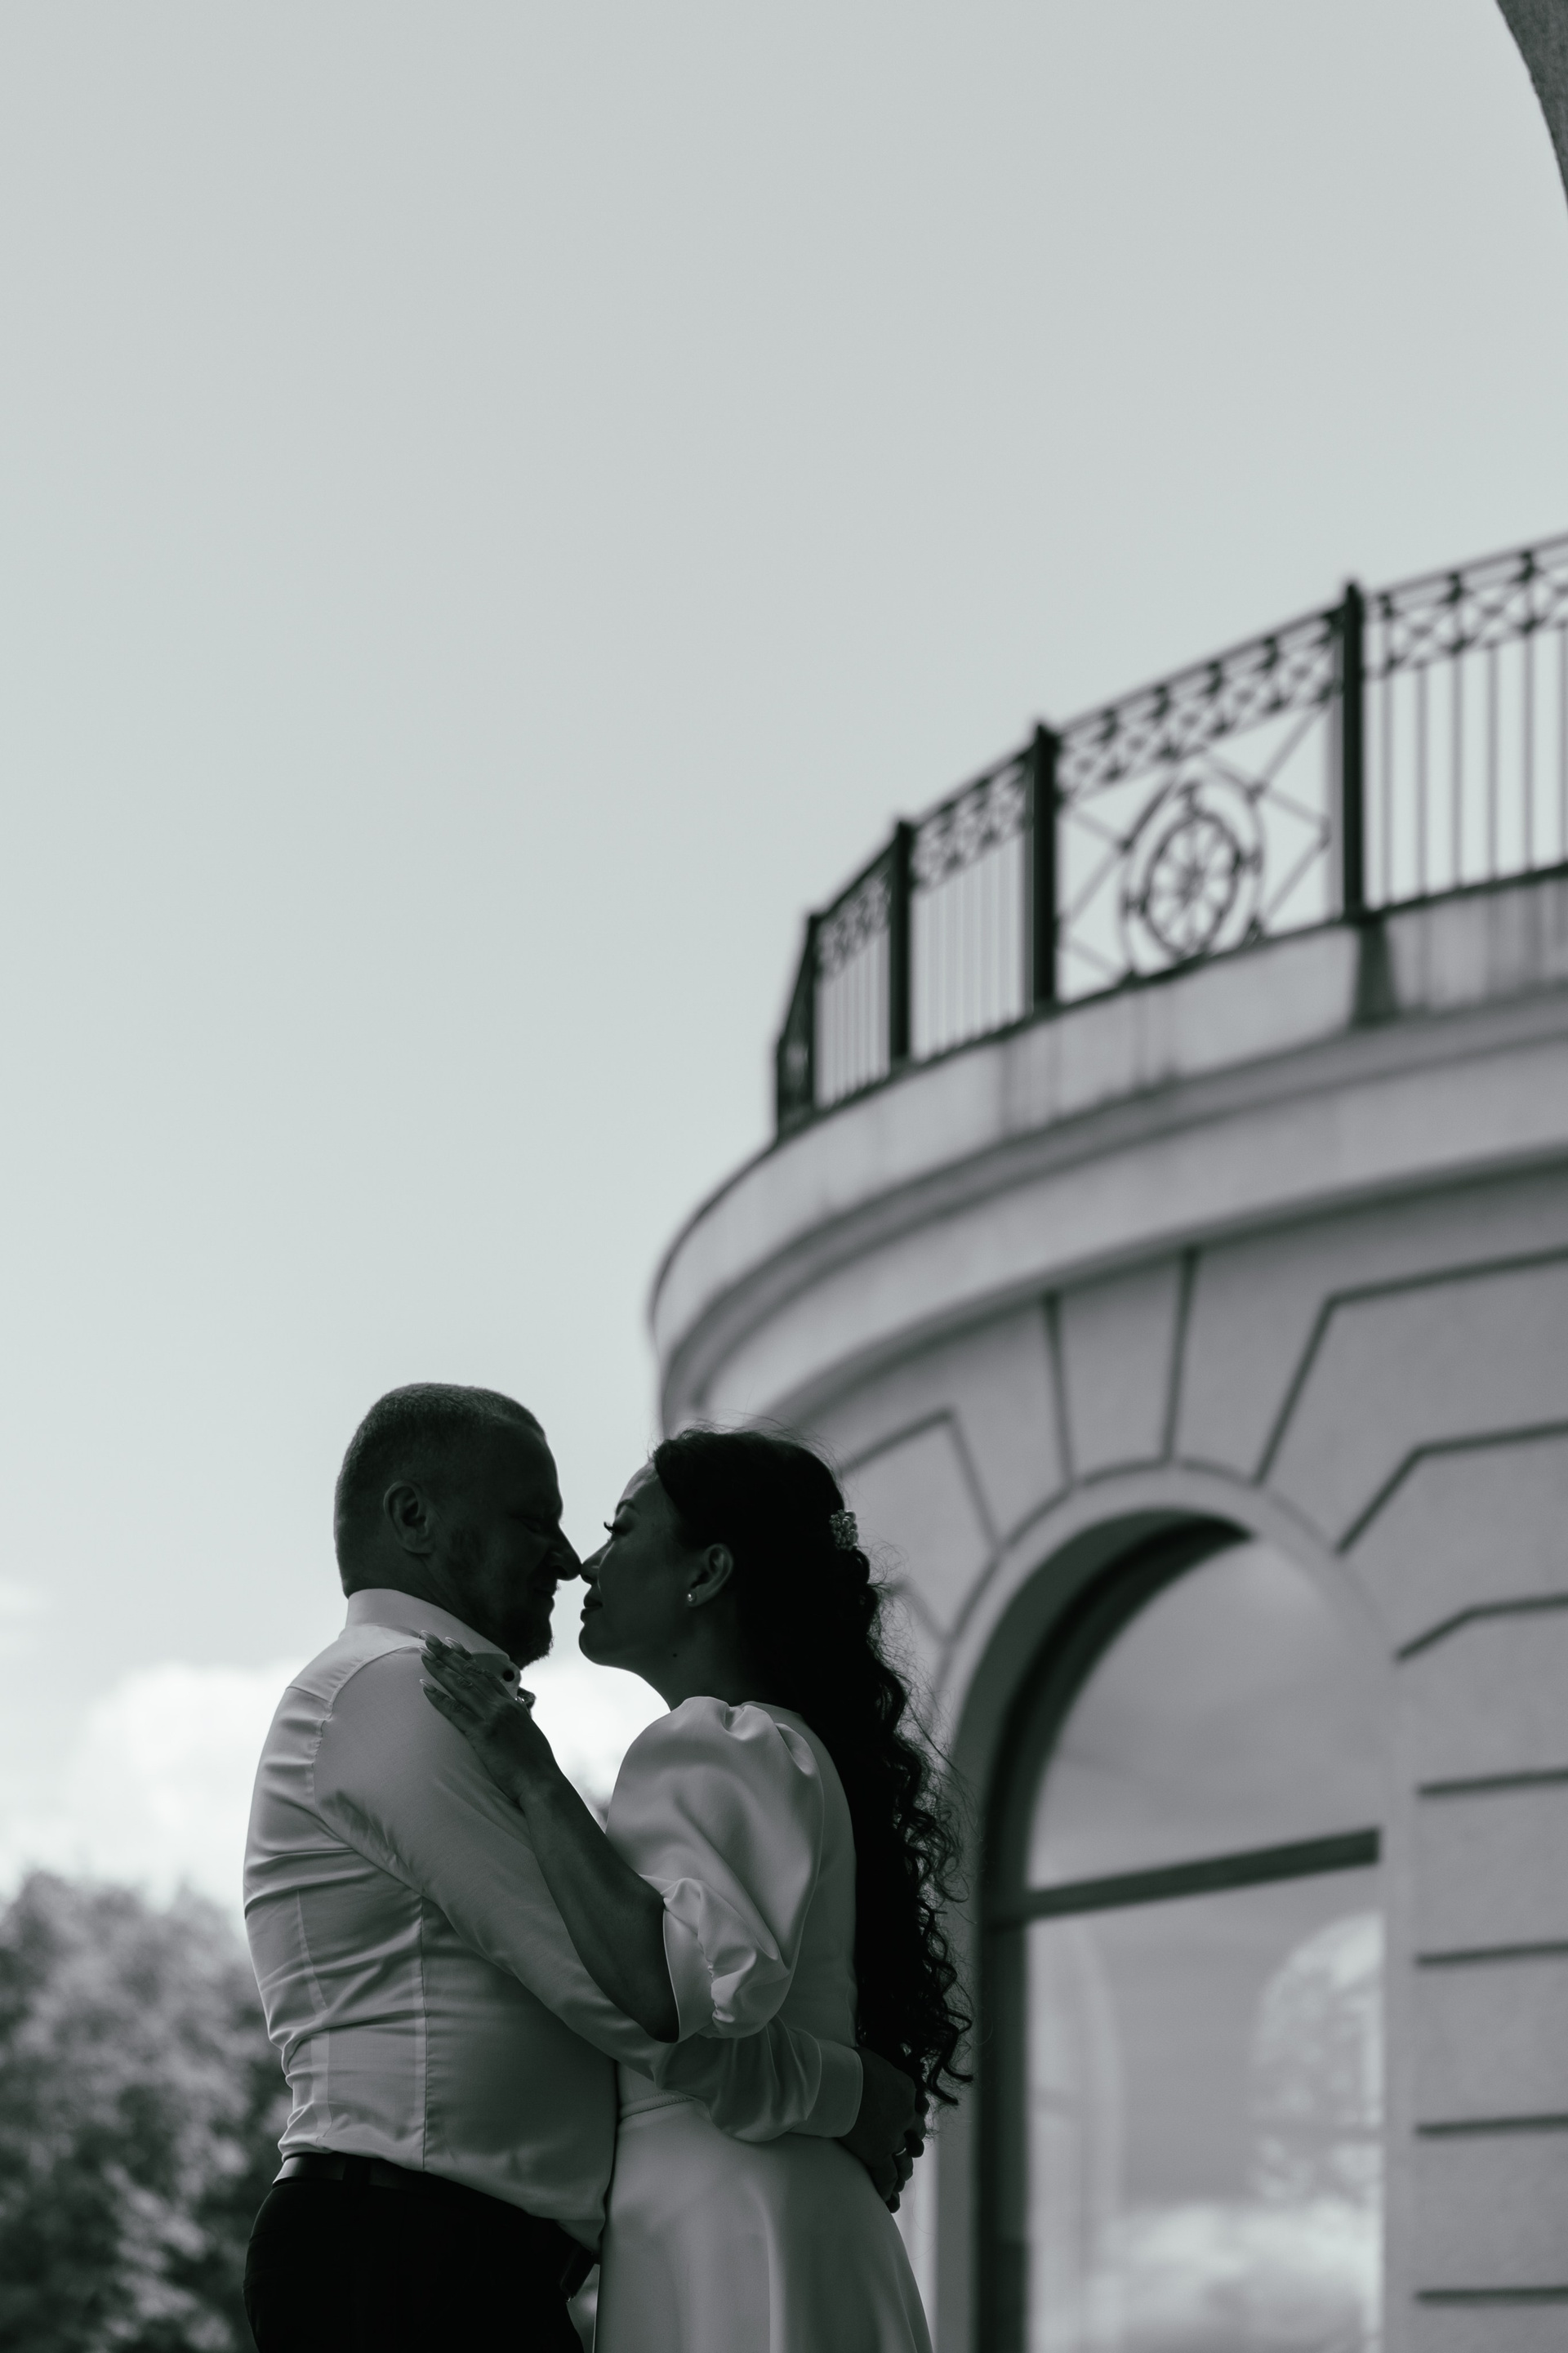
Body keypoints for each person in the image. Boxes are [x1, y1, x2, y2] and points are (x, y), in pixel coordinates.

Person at [242, 1385, 919, 2352]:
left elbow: (647, 1978)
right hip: (411, 2251)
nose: (568, 1559)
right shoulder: (398, 1687)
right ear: (413, 1517)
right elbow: (616, 1984)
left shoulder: (678, 1739)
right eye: (536, 1521)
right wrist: (847, 2095)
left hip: (464, 2255)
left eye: (604, 1530)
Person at [421, 1424, 969, 2353]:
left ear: (708, 1571)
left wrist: (532, 1775)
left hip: (727, 2222)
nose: (587, 1562)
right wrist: (854, 2092)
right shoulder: (778, 1748)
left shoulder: (710, 1740)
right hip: (766, 2213)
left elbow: (676, 2003)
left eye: (622, 1528)